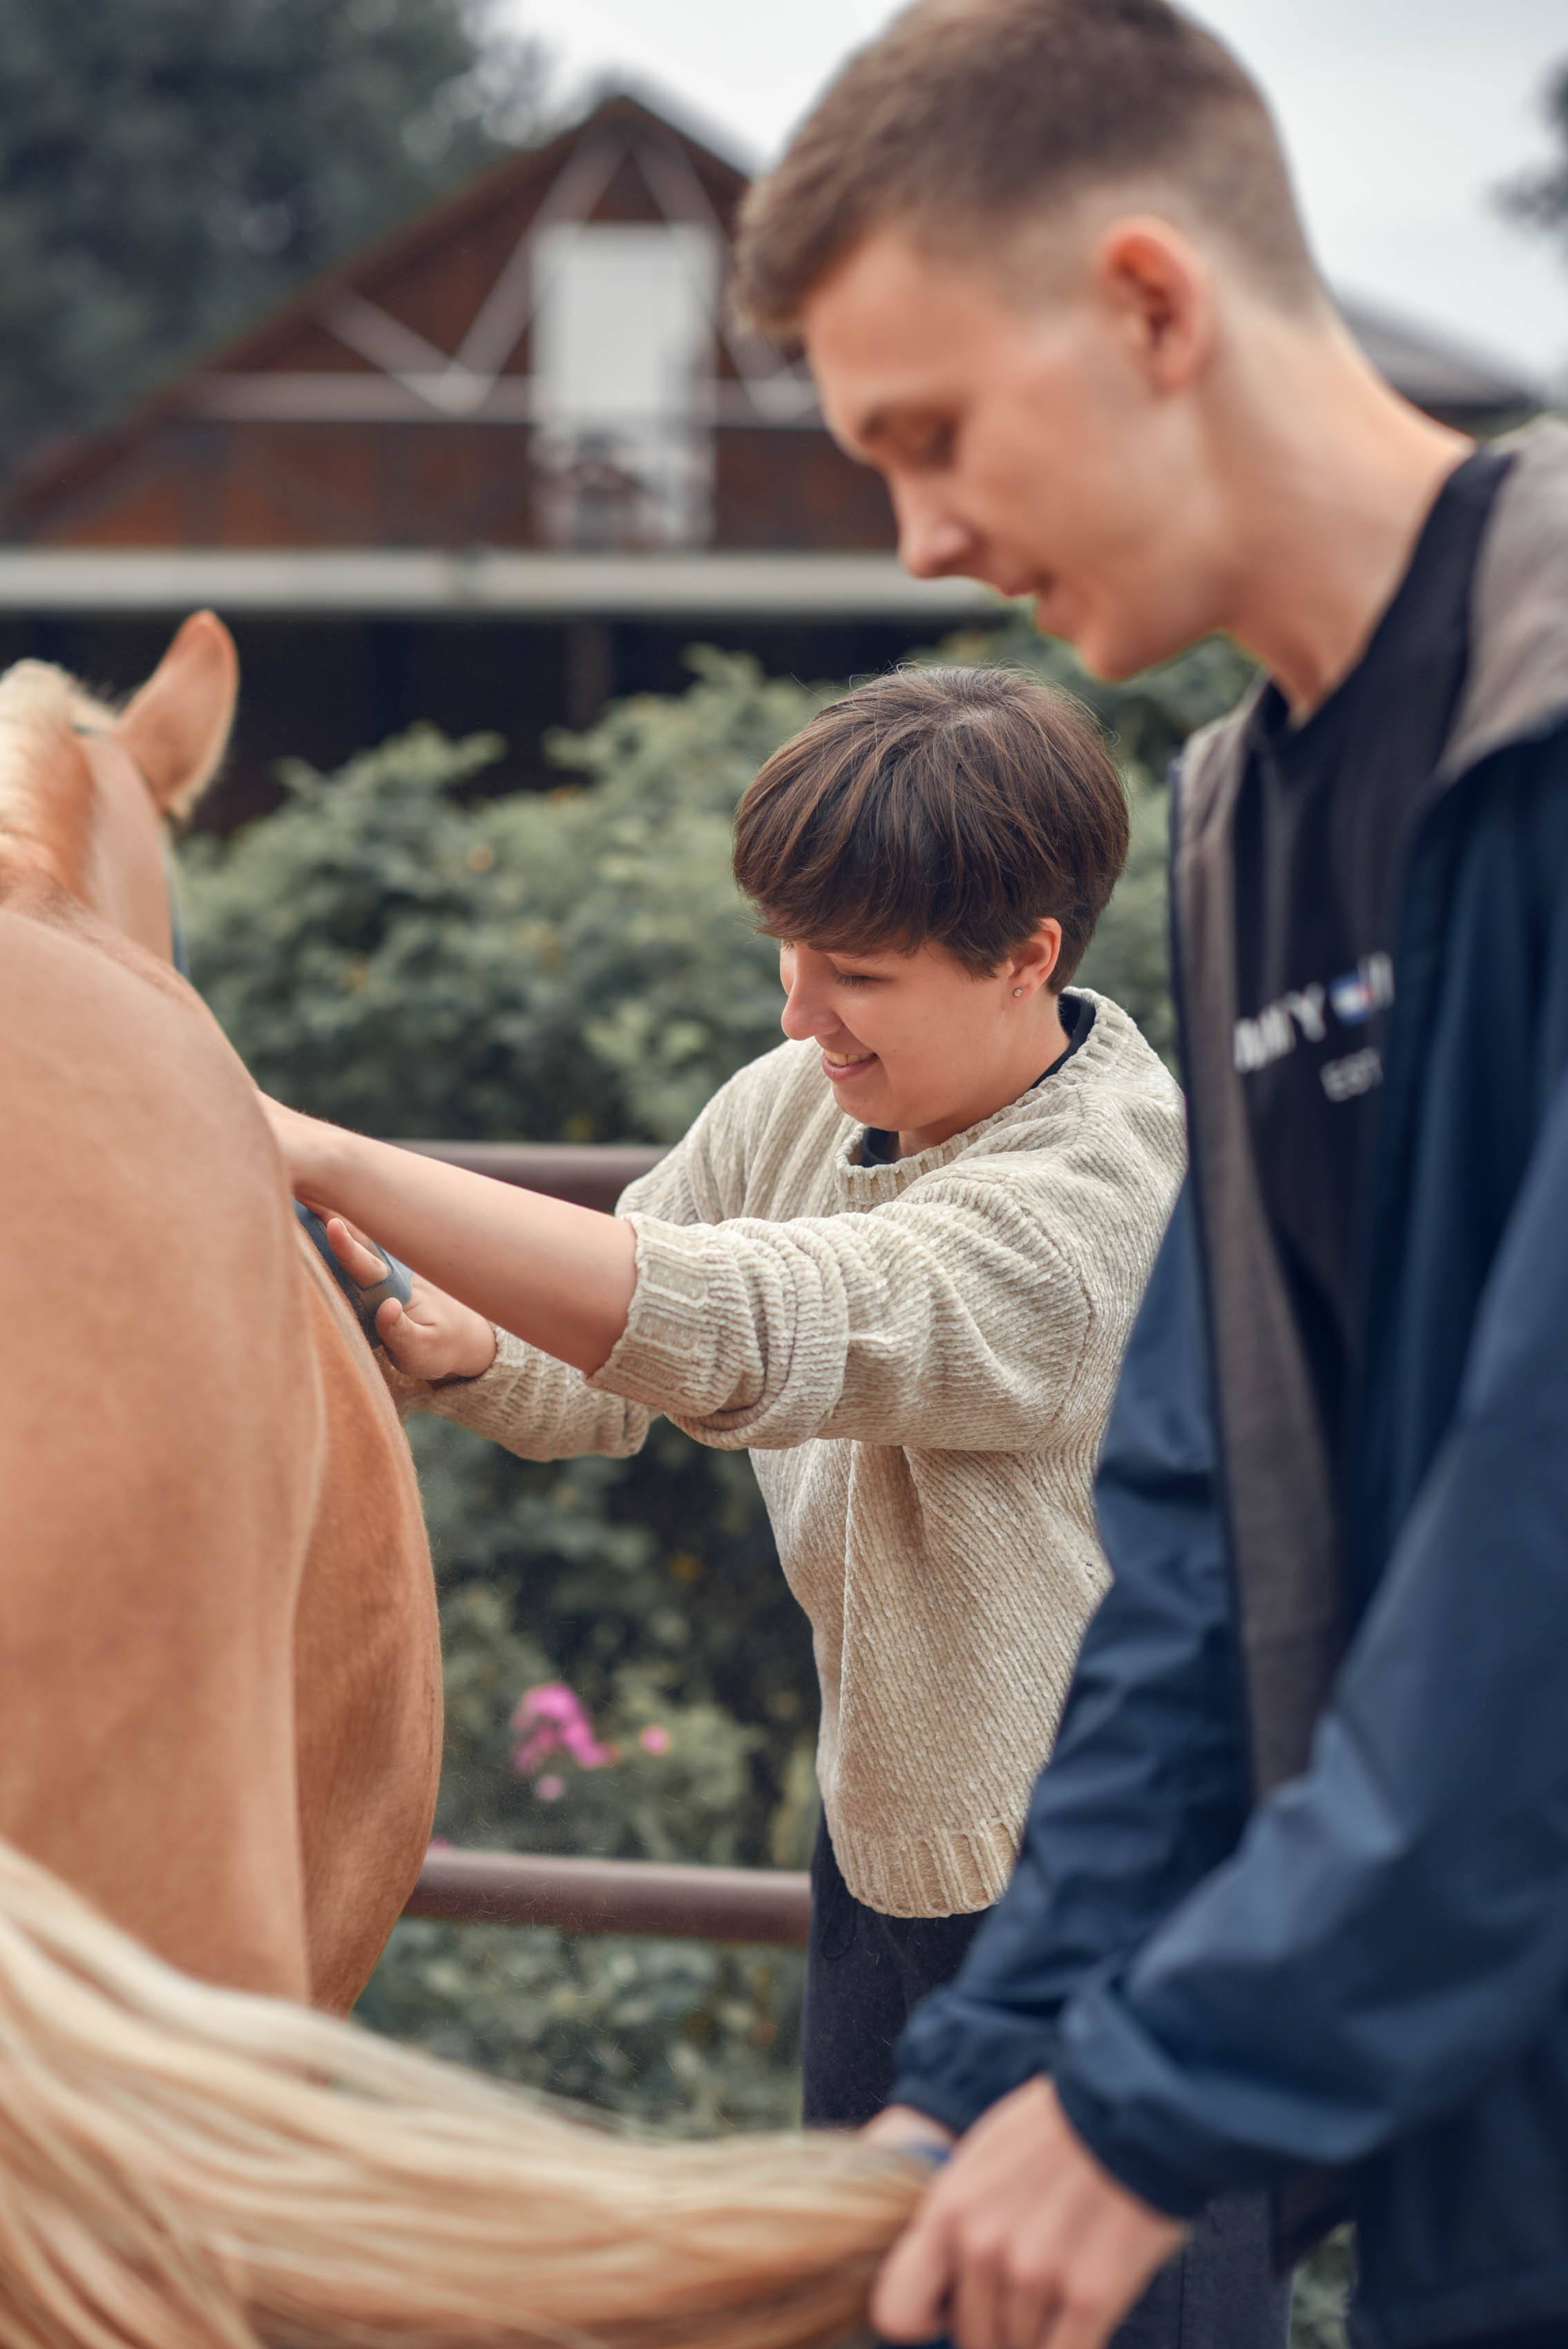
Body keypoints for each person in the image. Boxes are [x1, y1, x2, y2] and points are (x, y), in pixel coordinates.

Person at [730, 4, 1568, 2348]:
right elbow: (1198, 1552)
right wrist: (988, 2073)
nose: (920, 540)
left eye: (932, 436)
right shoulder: (1240, 832)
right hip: (1474, 2152)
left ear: (1149, 304)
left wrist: (1152, 2092)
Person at [261, 667, 1190, 2135]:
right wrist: (476, 1349)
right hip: (892, 1837)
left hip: (1109, 1892)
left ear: (1028, 952)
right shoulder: (802, 1099)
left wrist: (327, 1154)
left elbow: (751, 1324)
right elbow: (619, 1350)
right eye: (789, 951)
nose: (803, 1009)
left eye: (860, 974)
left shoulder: (1087, 1211)